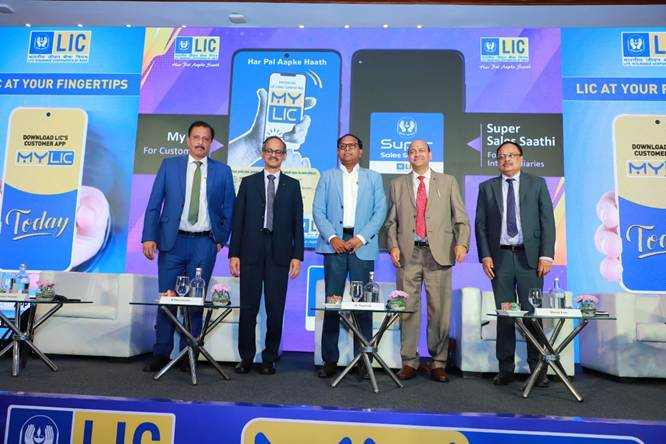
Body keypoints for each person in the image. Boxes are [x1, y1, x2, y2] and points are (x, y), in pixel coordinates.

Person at [141, 121, 235, 372]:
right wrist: (149, 236)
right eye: (196, 137)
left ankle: (188, 352)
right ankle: (161, 352)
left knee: (195, 300)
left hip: (204, 243)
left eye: (205, 138)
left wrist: (220, 238)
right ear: (188, 140)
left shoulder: (223, 172)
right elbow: (154, 203)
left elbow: (229, 209)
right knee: (167, 298)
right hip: (171, 242)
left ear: (211, 143)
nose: (200, 142)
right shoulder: (169, 166)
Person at [384, 140, 470, 383]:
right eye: (412, 151)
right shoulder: (397, 184)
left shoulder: (448, 182)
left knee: (439, 310)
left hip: (439, 253)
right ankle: (409, 361)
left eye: (421, 150)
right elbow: (391, 222)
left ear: (430, 155)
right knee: (407, 308)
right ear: (408, 156)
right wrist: (392, 245)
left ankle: (438, 362)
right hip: (407, 254)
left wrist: (462, 243)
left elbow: (461, 218)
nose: (417, 154)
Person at [475, 140, 555, 386]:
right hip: (500, 259)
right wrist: (485, 255)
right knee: (505, 315)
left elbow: (547, 221)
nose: (506, 159)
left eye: (511, 155)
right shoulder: (487, 188)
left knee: (532, 314)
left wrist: (546, 255)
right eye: (501, 156)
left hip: (530, 260)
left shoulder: (537, 184)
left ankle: (537, 368)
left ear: (521, 158)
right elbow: (481, 225)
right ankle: (505, 368)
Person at [312, 133, 387, 378]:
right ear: (338, 151)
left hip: (361, 246)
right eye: (342, 147)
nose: (347, 150)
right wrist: (333, 237)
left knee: (363, 304)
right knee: (332, 303)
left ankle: (363, 359)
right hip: (334, 245)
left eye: (352, 146)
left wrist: (361, 238)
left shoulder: (373, 177)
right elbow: (318, 210)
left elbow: (380, 211)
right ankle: (329, 360)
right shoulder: (327, 176)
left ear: (360, 151)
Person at [228, 136, 304, 375]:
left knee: (275, 309)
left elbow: (297, 224)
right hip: (250, 251)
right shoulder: (248, 183)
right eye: (269, 151)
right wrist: (234, 253)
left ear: (284, 156)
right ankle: (246, 357)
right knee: (248, 308)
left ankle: (269, 357)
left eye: (278, 151)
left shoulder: (293, 185)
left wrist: (297, 256)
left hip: (280, 253)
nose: (273, 155)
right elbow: (238, 220)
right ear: (262, 153)